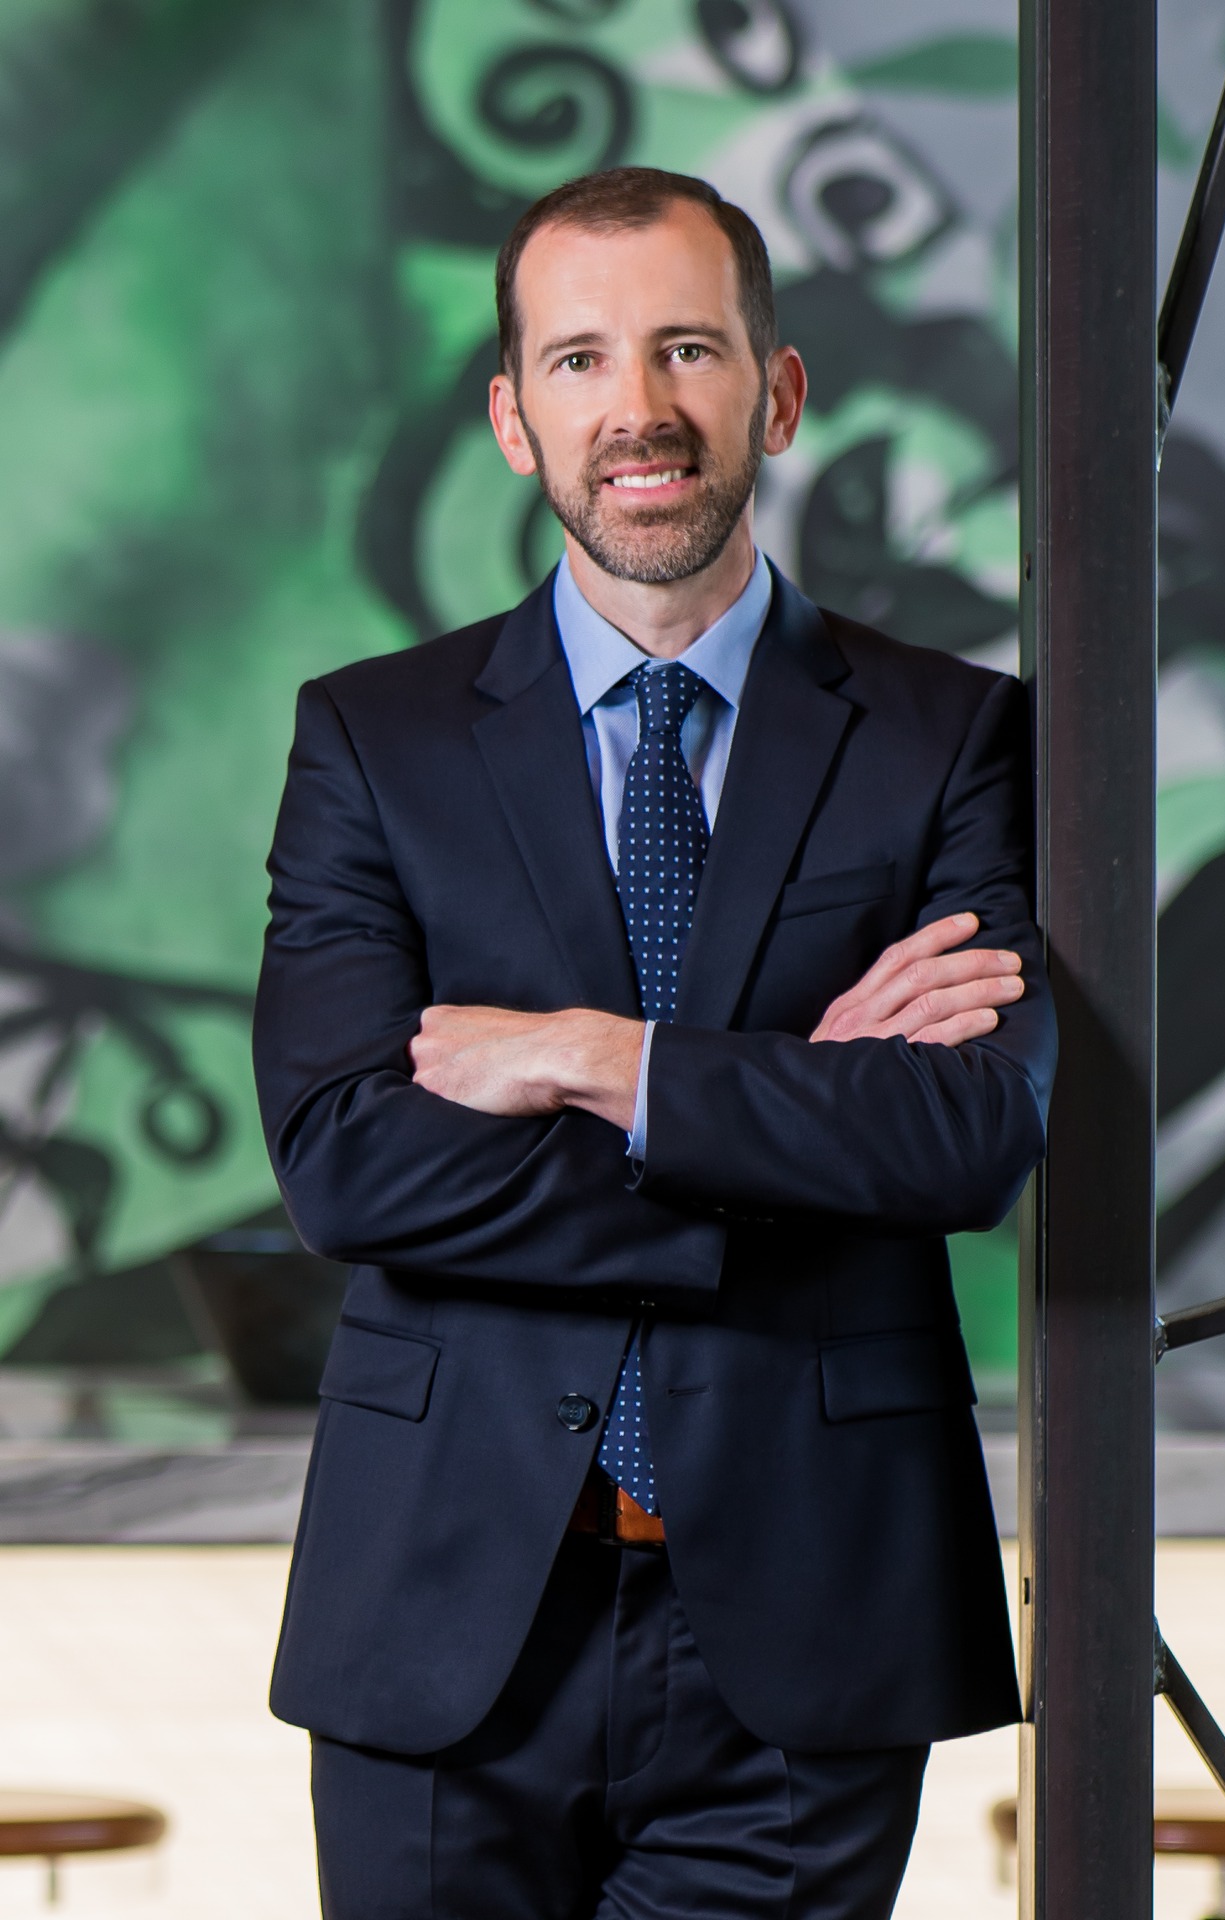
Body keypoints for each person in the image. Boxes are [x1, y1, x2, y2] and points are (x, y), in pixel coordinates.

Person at [253, 166, 1056, 1920]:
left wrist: (600, 1062)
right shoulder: (373, 743)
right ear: (510, 419)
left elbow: (965, 1139)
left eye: (687, 350)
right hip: (443, 1616)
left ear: (773, 388)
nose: (637, 411)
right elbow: (342, 1158)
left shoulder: (954, 737)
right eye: (578, 362)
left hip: (808, 1629)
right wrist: (790, 1102)